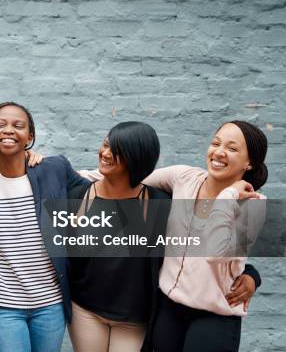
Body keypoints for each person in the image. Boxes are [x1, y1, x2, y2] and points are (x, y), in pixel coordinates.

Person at [80, 120, 267, 352]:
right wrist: (51, 171)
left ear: (249, 162)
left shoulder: (253, 205)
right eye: (215, 143)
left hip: (213, 316)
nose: (219, 152)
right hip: (168, 310)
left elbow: (214, 254)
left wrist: (228, 196)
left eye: (232, 148)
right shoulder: (184, 178)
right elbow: (126, 179)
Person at [0, 102, 89, 352]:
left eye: (18, 126)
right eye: (0, 125)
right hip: (2, 306)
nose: (8, 130)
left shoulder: (53, 168)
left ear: (30, 137)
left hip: (50, 304)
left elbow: (94, 191)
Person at [67, 122, 170, 352]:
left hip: (134, 318)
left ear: (137, 158)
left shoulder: (159, 203)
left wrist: (249, 274)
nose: (105, 154)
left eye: (117, 150)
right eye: (105, 144)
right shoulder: (78, 196)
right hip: (85, 310)